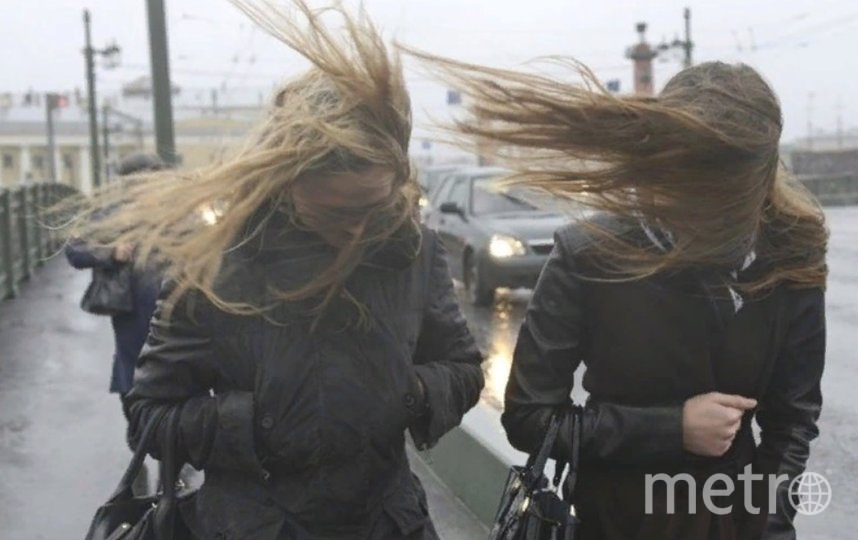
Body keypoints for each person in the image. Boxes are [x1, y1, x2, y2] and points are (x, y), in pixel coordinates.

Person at [67, 2, 484, 539]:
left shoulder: (415, 251)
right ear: (286, 183)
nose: (356, 232)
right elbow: (149, 414)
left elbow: (463, 366)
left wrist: (409, 393)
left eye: (371, 209)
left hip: (387, 523)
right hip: (254, 525)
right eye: (334, 212)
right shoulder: (215, 263)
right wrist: (252, 424)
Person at [412, 54, 827, 540]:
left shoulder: (790, 258)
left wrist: (771, 525)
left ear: (757, 179)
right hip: (615, 523)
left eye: (721, 189)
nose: (702, 205)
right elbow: (528, 417)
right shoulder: (589, 254)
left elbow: (792, 423)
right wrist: (671, 428)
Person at [65, 152, 166, 493]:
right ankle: (139, 444)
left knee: (179, 371)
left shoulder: (178, 212)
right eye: (139, 181)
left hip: (176, 308)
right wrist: (112, 252)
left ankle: (173, 456)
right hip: (133, 312)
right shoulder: (111, 214)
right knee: (133, 372)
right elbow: (75, 251)